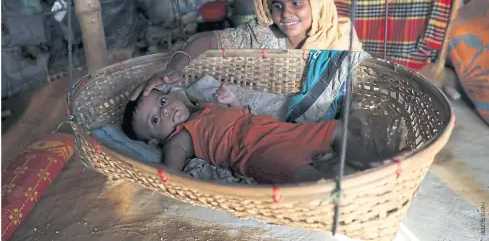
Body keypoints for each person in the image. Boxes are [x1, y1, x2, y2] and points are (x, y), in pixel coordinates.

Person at [131, 0, 363, 101]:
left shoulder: (341, 37)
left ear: (317, 0)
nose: (286, 14)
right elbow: (207, 39)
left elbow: (359, 91)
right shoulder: (264, 36)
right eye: (278, 5)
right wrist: (174, 68)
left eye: (297, 3)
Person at [123, 83, 375, 185]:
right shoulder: (179, 139)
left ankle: (372, 162)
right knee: (297, 172)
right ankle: (340, 186)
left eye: (163, 102)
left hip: (274, 130)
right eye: (155, 119)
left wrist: (231, 100)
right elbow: (171, 171)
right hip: (253, 152)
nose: (165, 112)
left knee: (335, 129)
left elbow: (237, 114)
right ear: (154, 140)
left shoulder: (199, 106)